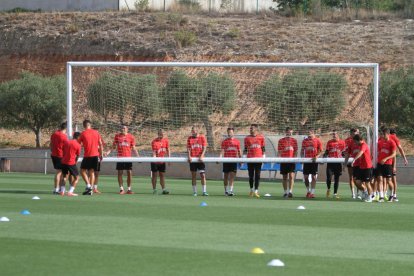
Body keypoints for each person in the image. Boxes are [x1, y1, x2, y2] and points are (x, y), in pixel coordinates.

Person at [106, 125, 138, 195]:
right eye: (121, 128)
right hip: (120, 158)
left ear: (127, 129)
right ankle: (121, 189)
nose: (122, 129)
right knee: (120, 172)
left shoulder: (131, 137)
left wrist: (137, 156)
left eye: (124, 128)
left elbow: (134, 147)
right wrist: (108, 152)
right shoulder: (117, 136)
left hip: (128, 158)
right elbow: (113, 146)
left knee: (129, 172)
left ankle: (129, 189)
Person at [345, 134, 373, 202]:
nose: (355, 143)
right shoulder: (360, 145)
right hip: (361, 166)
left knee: (367, 183)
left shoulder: (364, 145)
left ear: (359, 140)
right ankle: (365, 191)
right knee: (357, 181)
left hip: (367, 167)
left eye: (355, 142)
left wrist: (354, 159)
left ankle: (370, 197)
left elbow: (361, 153)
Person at [78, 120, 104, 195]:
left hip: (87, 155)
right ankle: (90, 190)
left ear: (84, 125)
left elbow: (78, 144)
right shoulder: (96, 132)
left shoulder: (83, 133)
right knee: (92, 172)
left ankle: (89, 186)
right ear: (90, 125)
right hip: (95, 155)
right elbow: (101, 144)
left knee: (82, 171)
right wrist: (101, 154)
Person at [244, 124, 265, 198]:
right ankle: (251, 190)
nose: (250, 129)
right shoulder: (247, 138)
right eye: (250, 128)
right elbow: (245, 149)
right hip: (250, 158)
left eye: (252, 128)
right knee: (250, 175)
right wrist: (244, 157)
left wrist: (264, 157)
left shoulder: (261, 137)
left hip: (258, 159)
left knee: (257, 175)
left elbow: (263, 148)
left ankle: (256, 190)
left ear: (256, 129)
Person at [375, 128, 397, 202]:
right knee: (379, 179)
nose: (382, 135)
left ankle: (392, 194)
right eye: (381, 134)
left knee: (388, 181)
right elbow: (379, 151)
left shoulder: (392, 142)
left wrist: (385, 159)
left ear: (388, 134)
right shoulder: (380, 142)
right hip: (380, 164)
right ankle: (381, 197)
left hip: (388, 164)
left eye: (383, 134)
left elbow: (394, 154)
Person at [220, 127, 242, 196]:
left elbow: (239, 151)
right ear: (227, 133)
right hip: (226, 160)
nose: (230, 133)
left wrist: (241, 160)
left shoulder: (237, 141)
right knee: (226, 176)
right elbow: (222, 150)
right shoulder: (224, 141)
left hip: (233, 160)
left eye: (231, 132)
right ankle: (226, 191)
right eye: (229, 132)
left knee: (232, 176)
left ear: (233, 133)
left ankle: (231, 191)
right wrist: (219, 157)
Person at [301, 129, 323, 198]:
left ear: (313, 133)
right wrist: (302, 158)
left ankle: (312, 192)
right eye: (308, 134)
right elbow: (302, 150)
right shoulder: (305, 141)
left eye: (309, 133)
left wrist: (317, 156)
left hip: (314, 161)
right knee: (306, 177)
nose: (308, 135)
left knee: (313, 176)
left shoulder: (317, 140)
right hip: (307, 161)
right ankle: (308, 191)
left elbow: (321, 151)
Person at [187, 125, 208, 196]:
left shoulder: (202, 137)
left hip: (200, 160)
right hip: (193, 160)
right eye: (192, 131)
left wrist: (201, 156)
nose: (193, 132)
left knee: (203, 175)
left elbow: (204, 148)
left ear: (198, 130)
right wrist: (189, 156)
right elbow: (188, 149)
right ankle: (195, 192)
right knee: (193, 176)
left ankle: (204, 191)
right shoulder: (189, 138)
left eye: (195, 131)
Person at [277, 127, 298, 198]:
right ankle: (285, 192)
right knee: (284, 177)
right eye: (289, 132)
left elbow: (296, 151)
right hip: (284, 161)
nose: (290, 134)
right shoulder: (281, 141)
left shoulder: (294, 141)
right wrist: (279, 158)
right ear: (286, 132)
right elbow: (279, 151)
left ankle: (290, 192)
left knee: (291, 176)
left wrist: (294, 159)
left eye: (291, 133)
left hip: (291, 161)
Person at [324, 130, 345, 199]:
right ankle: (328, 189)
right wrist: (324, 155)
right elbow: (327, 151)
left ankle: (335, 193)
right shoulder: (329, 142)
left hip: (338, 163)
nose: (334, 135)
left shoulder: (342, 142)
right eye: (333, 134)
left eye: (335, 134)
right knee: (329, 178)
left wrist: (345, 159)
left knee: (337, 179)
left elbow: (344, 152)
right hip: (330, 162)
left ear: (338, 135)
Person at [388, 128, 408, 202]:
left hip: (384, 159)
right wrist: (405, 158)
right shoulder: (395, 138)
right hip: (392, 160)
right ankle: (394, 195)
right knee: (393, 178)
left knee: (385, 179)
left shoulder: (385, 137)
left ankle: (381, 194)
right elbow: (400, 148)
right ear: (395, 133)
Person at [60, 132, 81, 196]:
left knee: (64, 177)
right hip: (71, 163)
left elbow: (63, 151)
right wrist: (75, 161)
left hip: (64, 162)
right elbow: (77, 155)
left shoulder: (66, 142)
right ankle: (70, 192)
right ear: (78, 137)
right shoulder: (78, 145)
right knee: (77, 178)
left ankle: (62, 191)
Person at [50, 122, 68, 194]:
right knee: (60, 173)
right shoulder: (64, 136)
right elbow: (66, 147)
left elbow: (51, 144)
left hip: (54, 155)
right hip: (60, 156)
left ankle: (59, 188)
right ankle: (57, 189)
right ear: (66, 128)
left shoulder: (54, 134)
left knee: (59, 172)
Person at [151, 129, 170, 195]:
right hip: (155, 162)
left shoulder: (166, 141)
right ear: (158, 134)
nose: (161, 135)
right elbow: (153, 152)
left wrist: (169, 159)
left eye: (162, 134)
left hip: (162, 161)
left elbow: (168, 150)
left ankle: (163, 189)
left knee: (162, 175)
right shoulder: (154, 141)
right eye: (160, 134)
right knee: (154, 175)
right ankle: (154, 189)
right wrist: (154, 158)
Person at [344, 128, 360, 199]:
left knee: (358, 177)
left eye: (356, 133)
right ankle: (353, 193)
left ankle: (358, 193)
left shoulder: (360, 140)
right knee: (351, 177)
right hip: (350, 160)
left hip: (358, 161)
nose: (354, 135)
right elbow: (345, 151)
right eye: (353, 134)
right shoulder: (347, 141)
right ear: (351, 134)